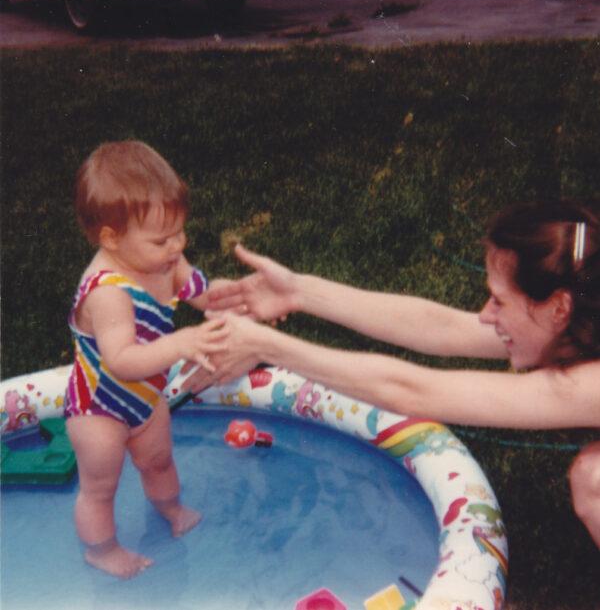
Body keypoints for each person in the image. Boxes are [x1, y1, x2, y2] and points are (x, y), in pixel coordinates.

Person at [203, 201, 600, 549]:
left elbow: (412, 391)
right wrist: (298, 292)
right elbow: (440, 327)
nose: (485, 314)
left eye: (499, 300)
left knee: (594, 481)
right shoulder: (577, 316)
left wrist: (266, 346)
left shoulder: (588, 387)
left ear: (558, 308)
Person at [65, 141, 230, 579]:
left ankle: (171, 509)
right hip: (99, 408)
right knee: (100, 488)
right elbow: (120, 360)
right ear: (111, 238)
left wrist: (226, 300)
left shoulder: (162, 259)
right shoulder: (108, 291)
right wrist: (181, 344)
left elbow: (196, 287)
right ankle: (101, 550)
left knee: (159, 460)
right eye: (163, 238)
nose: (177, 245)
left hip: (146, 397)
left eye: (179, 231)